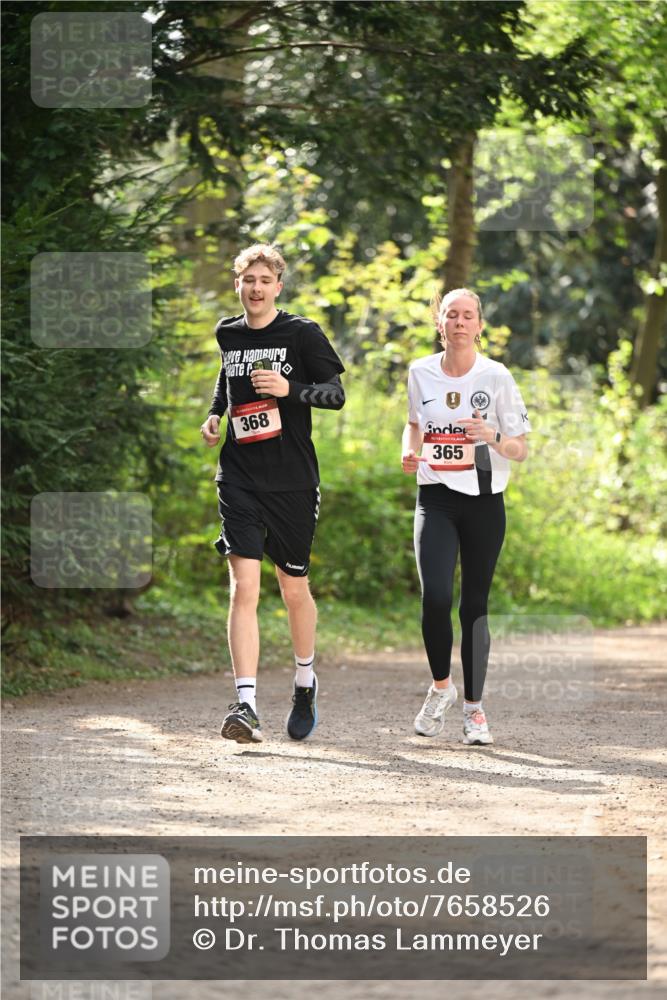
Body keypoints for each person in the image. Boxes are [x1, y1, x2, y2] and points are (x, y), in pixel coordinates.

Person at [200, 244, 345, 744]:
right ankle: (245, 703)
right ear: (237, 285)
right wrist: (216, 413)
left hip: (293, 482)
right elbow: (228, 376)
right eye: (248, 280)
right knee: (244, 587)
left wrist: (291, 390)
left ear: (278, 286)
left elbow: (337, 394)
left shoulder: (301, 333)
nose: (256, 288)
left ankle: (305, 680)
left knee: (292, 588)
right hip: (238, 476)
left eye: (265, 280)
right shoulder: (228, 332)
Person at [401, 288, 530, 745]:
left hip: (483, 499)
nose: (459, 322)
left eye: (467, 315)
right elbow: (415, 422)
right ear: (440, 323)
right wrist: (409, 450)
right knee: (435, 596)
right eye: (451, 315)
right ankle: (441, 689)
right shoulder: (420, 371)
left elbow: (521, 448)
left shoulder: (496, 376)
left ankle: (474, 709)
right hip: (435, 495)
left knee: (473, 606)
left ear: (479, 325)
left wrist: (492, 435)